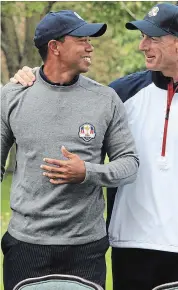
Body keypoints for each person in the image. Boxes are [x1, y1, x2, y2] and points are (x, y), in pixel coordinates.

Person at [10, 3, 178, 289]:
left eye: (153, 38)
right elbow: (66, 90)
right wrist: (30, 75)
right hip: (128, 244)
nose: (142, 46)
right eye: (142, 37)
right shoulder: (120, 93)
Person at [1, 10, 139, 290]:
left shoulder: (105, 99)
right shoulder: (13, 95)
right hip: (26, 246)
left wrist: (87, 172)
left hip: (85, 248)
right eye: (82, 39)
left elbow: (130, 164)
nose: (90, 47)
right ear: (55, 47)